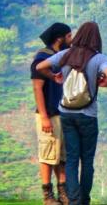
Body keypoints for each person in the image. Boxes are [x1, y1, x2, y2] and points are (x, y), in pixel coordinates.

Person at [36, 22, 107, 205]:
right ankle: (85, 199)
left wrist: (54, 76)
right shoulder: (98, 58)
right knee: (87, 160)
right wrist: (102, 83)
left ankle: (73, 200)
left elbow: (40, 66)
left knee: (72, 159)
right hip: (88, 114)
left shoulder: (65, 54)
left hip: (66, 113)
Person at [31, 23, 73, 205]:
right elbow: (37, 88)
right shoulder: (42, 58)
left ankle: (62, 191)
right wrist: (44, 117)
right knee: (48, 154)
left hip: (61, 112)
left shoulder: (59, 59)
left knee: (61, 155)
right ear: (60, 38)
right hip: (48, 113)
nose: (71, 40)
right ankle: (47, 195)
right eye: (69, 36)